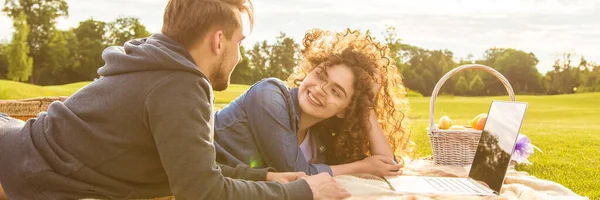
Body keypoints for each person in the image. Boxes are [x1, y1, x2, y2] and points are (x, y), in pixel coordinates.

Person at [0, 0, 351, 199]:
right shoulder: (180, 85)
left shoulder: (160, 67)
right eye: (239, 42)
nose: (240, 56)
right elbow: (202, 193)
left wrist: (266, 179)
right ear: (218, 41)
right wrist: (304, 193)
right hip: (14, 169)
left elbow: (192, 169)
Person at [214, 28, 412, 177]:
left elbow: (387, 165)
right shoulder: (269, 94)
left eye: (336, 91)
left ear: (344, 110)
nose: (320, 89)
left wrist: (365, 106)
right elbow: (295, 173)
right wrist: (362, 166)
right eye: (320, 75)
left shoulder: (320, 134)